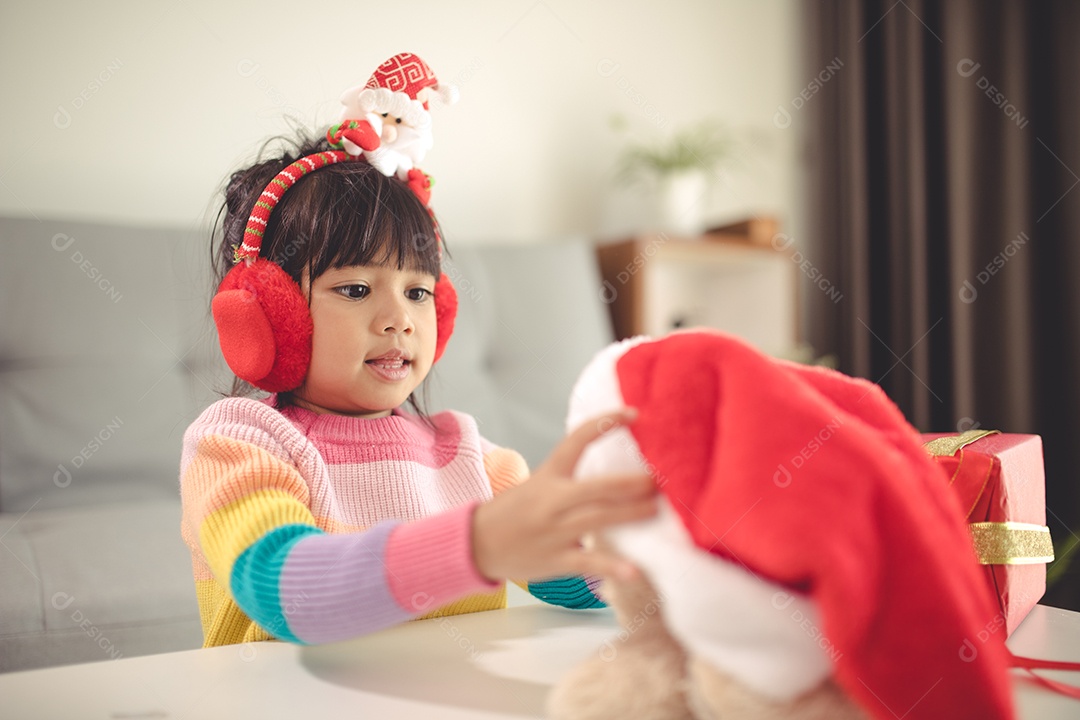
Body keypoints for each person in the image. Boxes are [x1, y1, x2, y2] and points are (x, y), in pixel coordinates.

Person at [179, 127, 657, 647]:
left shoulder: (471, 456)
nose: (400, 319)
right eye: (356, 289)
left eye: (418, 291)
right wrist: (475, 544)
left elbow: (575, 565)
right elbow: (287, 592)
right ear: (272, 315)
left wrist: (659, 537)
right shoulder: (240, 444)